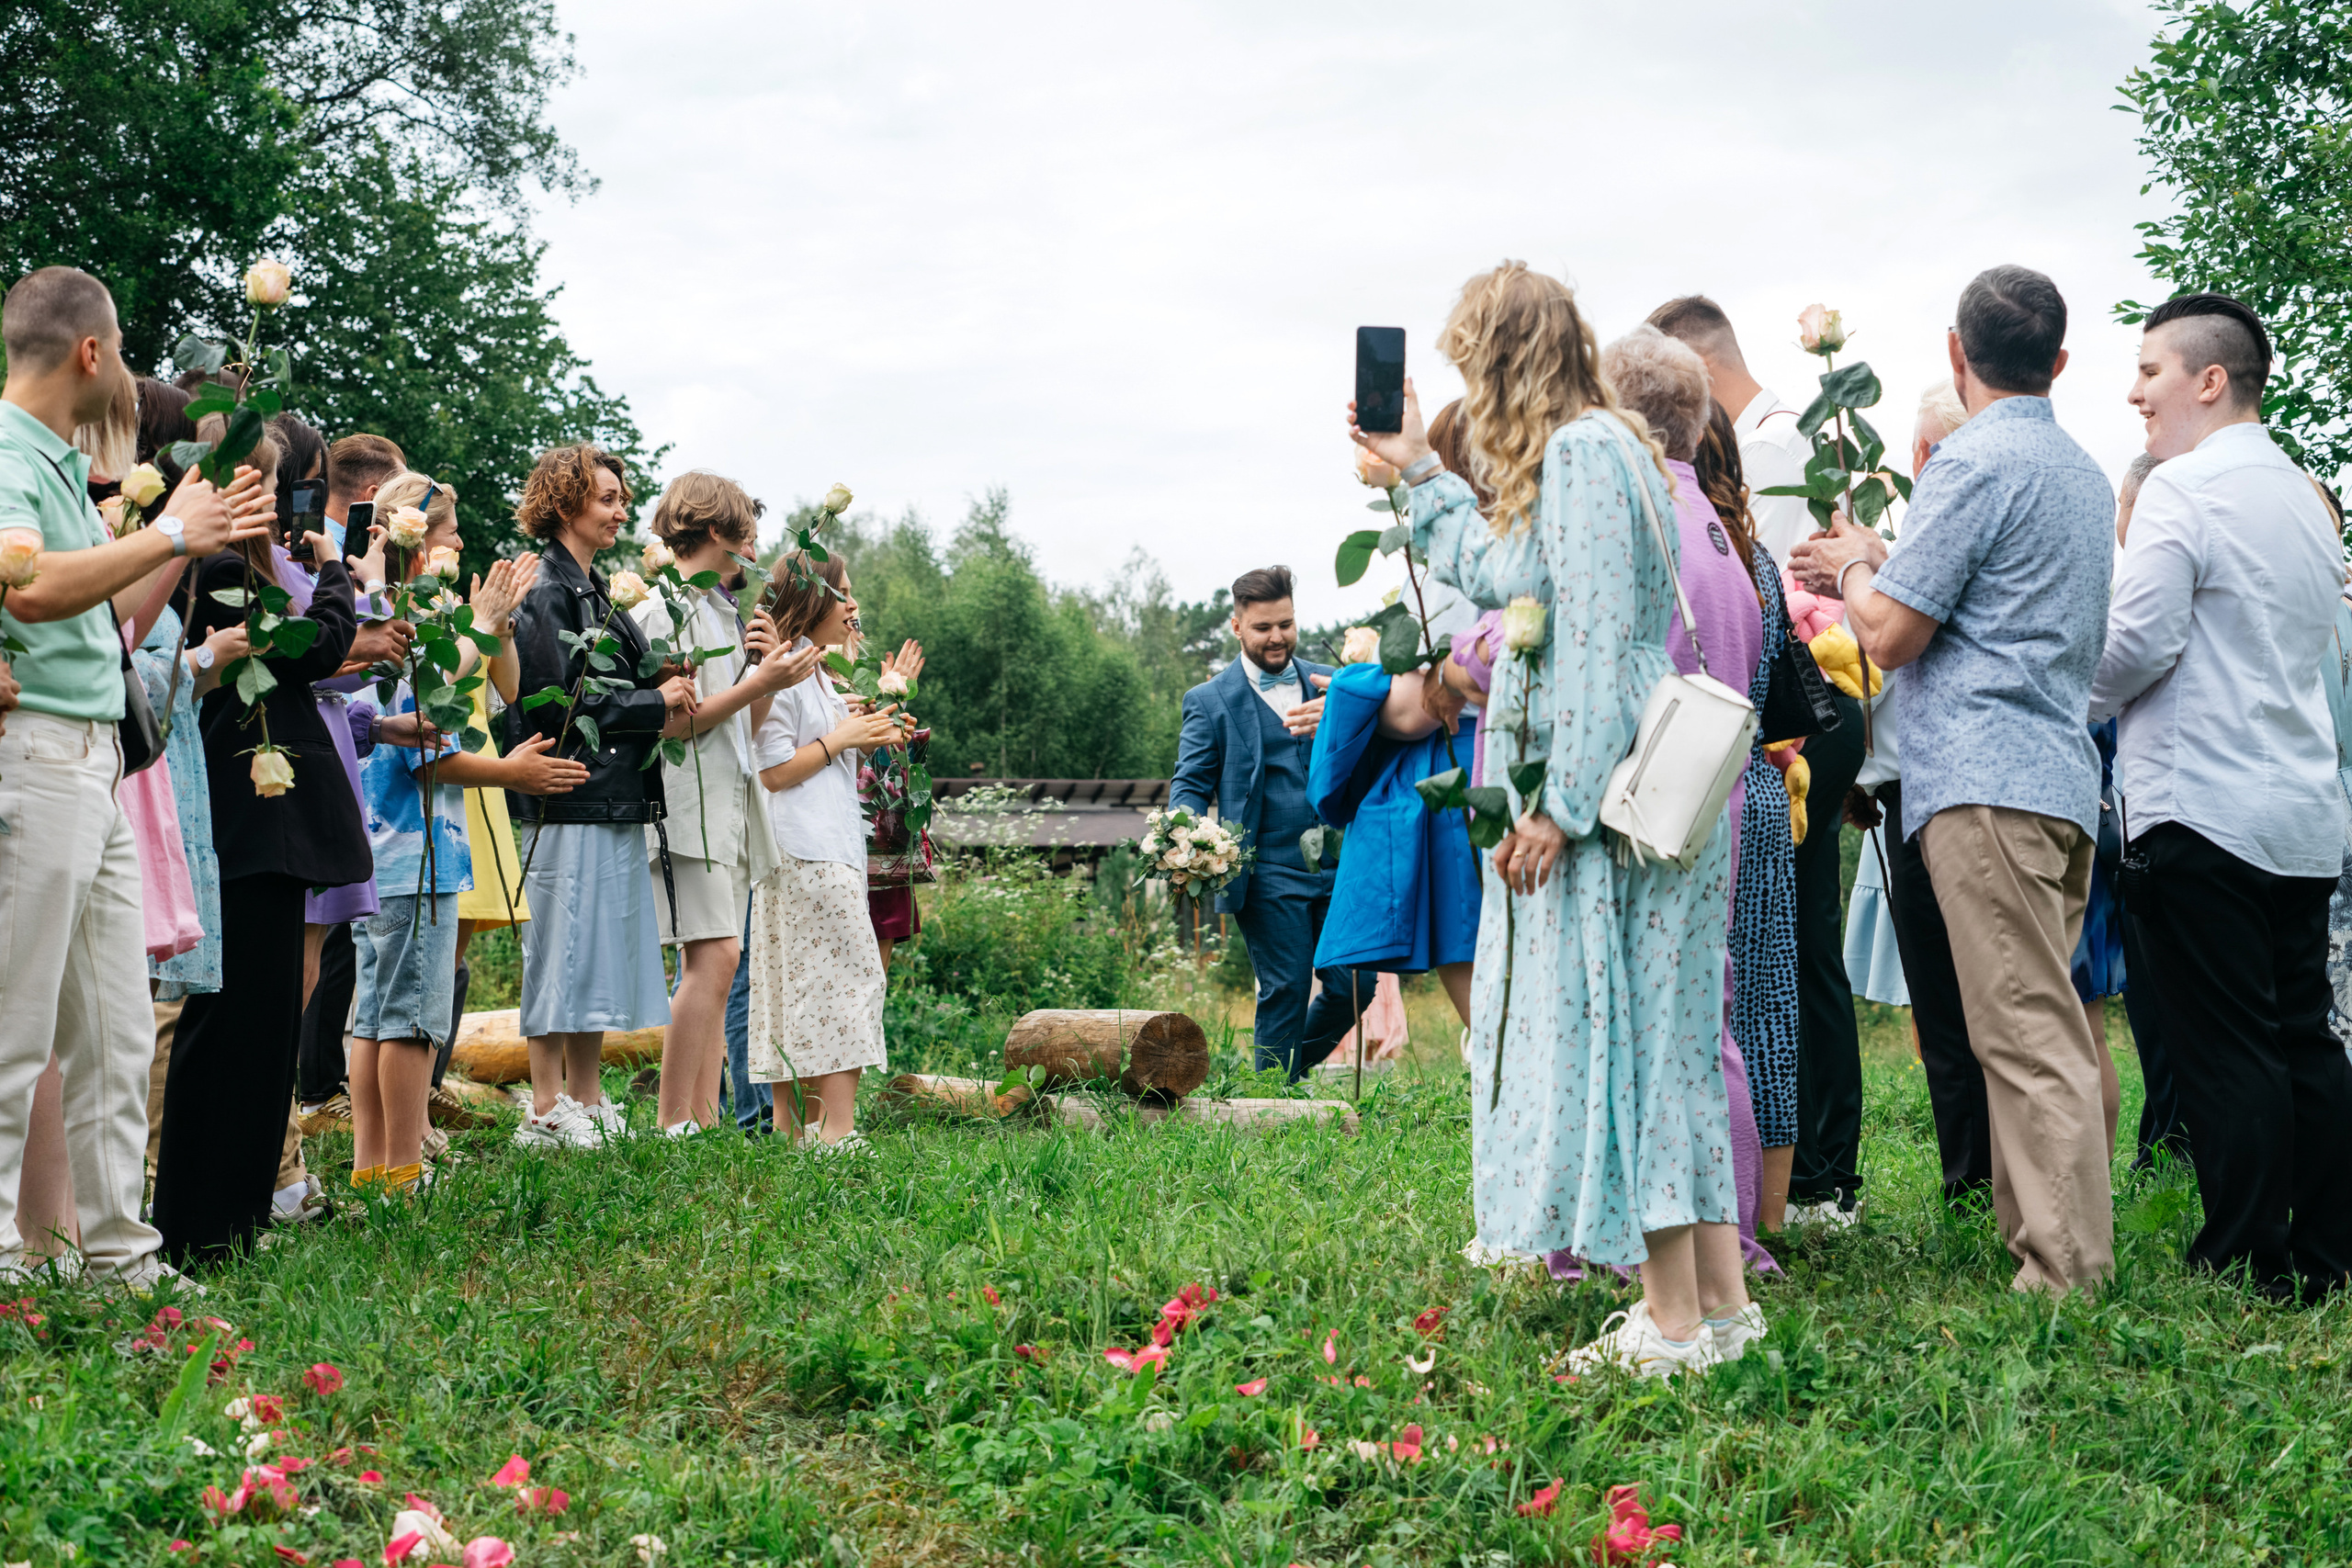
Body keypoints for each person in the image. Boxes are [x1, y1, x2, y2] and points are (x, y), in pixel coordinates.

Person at [1357, 262, 1756, 1376]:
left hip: (1609, 789)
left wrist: (1553, 810)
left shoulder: (1583, 453)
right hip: (1641, 778)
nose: (1467, 390)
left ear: (1503, 361)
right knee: (1666, 1045)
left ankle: (1671, 1322)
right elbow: (1508, 573)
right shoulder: (1610, 448)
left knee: (1633, 1047)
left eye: (1469, 368)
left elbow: (1579, 650)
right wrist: (1419, 473)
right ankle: (1717, 1305)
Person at [1792, 264, 2116, 1294]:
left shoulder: (1971, 465)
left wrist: (1848, 565)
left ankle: (2066, 1269)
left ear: (1953, 352)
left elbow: (1888, 631)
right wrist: (1891, 554)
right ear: (2058, 361)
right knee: (2030, 1018)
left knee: (2021, 1031)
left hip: (1985, 780)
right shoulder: (2078, 471)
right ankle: (2038, 1237)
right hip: (2055, 776)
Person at [0, 266, 270, 1286]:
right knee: (14, 1032)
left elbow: (94, 617)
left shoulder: (59, 464)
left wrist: (178, 529)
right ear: (92, 352)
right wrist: (166, 534)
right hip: (34, 760)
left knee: (114, 1032)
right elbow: (23, 589)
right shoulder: (6, 452)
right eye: (122, 352)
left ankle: (117, 1257)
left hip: (95, 763)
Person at [2090, 292, 2352, 1301]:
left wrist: (2064, 695)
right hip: (2297, 810)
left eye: (2148, 369)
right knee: (2304, 1038)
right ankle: (2326, 1255)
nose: (2133, 391)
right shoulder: (2299, 493)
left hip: (2201, 804)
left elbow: (2135, 644)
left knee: (2227, 1047)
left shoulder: (2181, 490)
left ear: (2209, 380)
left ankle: (2245, 1254)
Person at [1650, 293, 1867, 1228]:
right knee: (1784, 946)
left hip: (1781, 709)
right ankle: (1804, 1172)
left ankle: (1818, 1168)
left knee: (1788, 949)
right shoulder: (1781, 431)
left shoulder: (1769, 443)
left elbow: (1756, 600)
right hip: (1778, 703)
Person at [348, 473, 570, 1191]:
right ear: (418, 542)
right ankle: (402, 1172)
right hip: (416, 846)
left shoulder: (377, 609)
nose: (462, 541)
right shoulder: (413, 623)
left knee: (375, 1013)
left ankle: (371, 1171)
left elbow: (500, 685)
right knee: (413, 1016)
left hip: (376, 850)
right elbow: (426, 749)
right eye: (448, 531)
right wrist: (511, 773)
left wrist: (493, 620)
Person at [506, 445, 696, 1148]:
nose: (622, 510)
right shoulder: (547, 587)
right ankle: (544, 1106)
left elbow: (618, 679)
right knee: (561, 949)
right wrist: (657, 699)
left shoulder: (592, 586)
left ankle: (584, 1098)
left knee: (596, 954)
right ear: (565, 501)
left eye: (622, 497)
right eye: (608, 497)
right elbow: (557, 699)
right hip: (568, 794)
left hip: (611, 795)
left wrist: (667, 675)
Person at [1844, 381, 1996, 1210]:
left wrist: (1858, 569)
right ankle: (1971, 1185)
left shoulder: (1925, 551)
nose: (1918, 463)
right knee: (1958, 1010)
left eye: (1924, 448)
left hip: (1932, 797)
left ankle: (1975, 1185)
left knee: (1953, 1009)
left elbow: (1893, 660)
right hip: (1910, 791)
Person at [628, 472, 813, 1135]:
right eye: (749, 539)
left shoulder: (723, 613)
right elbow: (672, 721)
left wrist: (767, 675)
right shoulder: (664, 610)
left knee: (720, 958)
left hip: (729, 806)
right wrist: (756, 681)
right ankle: (677, 1118)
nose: (755, 553)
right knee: (711, 959)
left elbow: (745, 725)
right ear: (715, 532)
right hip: (687, 805)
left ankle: (700, 1120)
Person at [1170, 568, 1377, 1079]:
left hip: (1341, 862)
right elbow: (1192, 783)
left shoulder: (1334, 684)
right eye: (1263, 627)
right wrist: (1186, 834)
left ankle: (1274, 1076)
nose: (1277, 636)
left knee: (1357, 983)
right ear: (1237, 627)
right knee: (1285, 985)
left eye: (1285, 623)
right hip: (1265, 869)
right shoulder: (1210, 701)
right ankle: (1271, 1106)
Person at [749, 554, 907, 1149]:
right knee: (846, 981)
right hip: (803, 850)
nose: (852, 606)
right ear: (810, 601)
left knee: (810, 987)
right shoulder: (783, 671)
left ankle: (799, 1132)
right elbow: (772, 772)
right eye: (842, 594)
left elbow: (829, 750)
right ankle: (836, 1129)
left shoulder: (818, 675)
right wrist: (840, 736)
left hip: (828, 846)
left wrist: (863, 723)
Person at [1691, 399, 1798, 1251]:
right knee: (1768, 1003)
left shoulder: (1686, 549)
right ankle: (1770, 1215)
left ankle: (1725, 1220)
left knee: (1716, 1011)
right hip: (1761, 784)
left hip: (1698, 788)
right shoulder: (1756, 560)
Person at [1304, 621, 1478, 1028]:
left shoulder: (1443, 587)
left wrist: (1350, 703)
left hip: (1460, 763)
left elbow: (1411, 712)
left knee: (1468, 935)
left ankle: (1510, 1076)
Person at [2108, 452, 2190, 1169]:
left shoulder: (2152, 581)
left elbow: (2127, 658)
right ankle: (2163, 1138)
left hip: (2167, 814)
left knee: (2166, 1000)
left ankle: (2171, 1142)